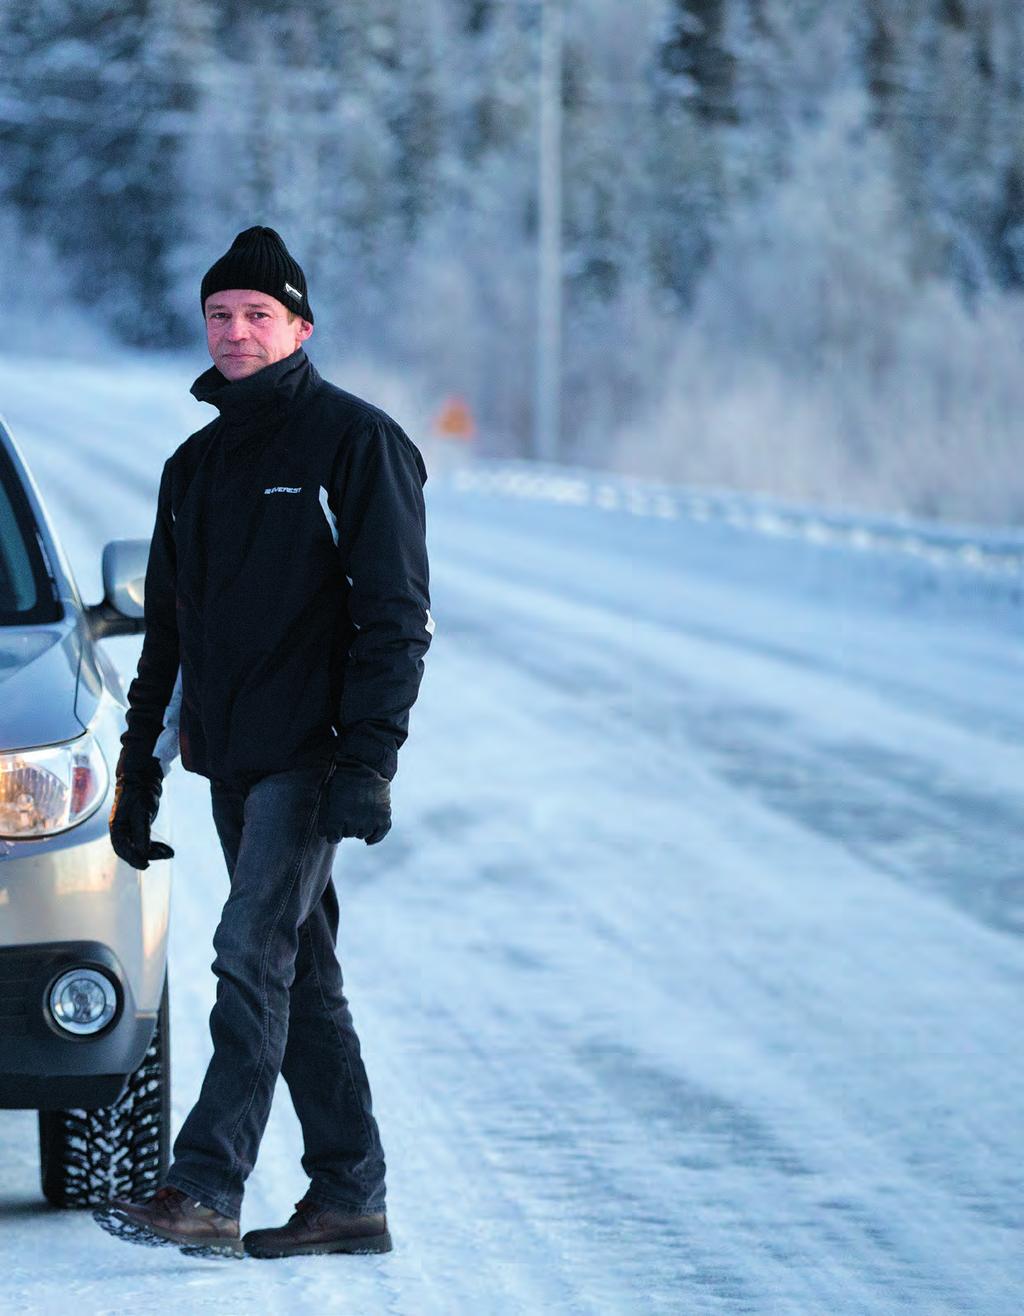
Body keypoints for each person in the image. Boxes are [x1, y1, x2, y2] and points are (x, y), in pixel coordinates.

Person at [93, 226, 434, 1260]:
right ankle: (350, 1192)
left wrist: (369, 758)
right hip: (230, 758)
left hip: (312, 752)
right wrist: (137, 769)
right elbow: (172, 634)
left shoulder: (354, 444)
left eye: (257, 315)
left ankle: (205, 1184)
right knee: (301, 971)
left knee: (248, 953)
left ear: (299, 327)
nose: (236, 331)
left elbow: (395, 615)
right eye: (220, 315)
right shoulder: (192, 465)